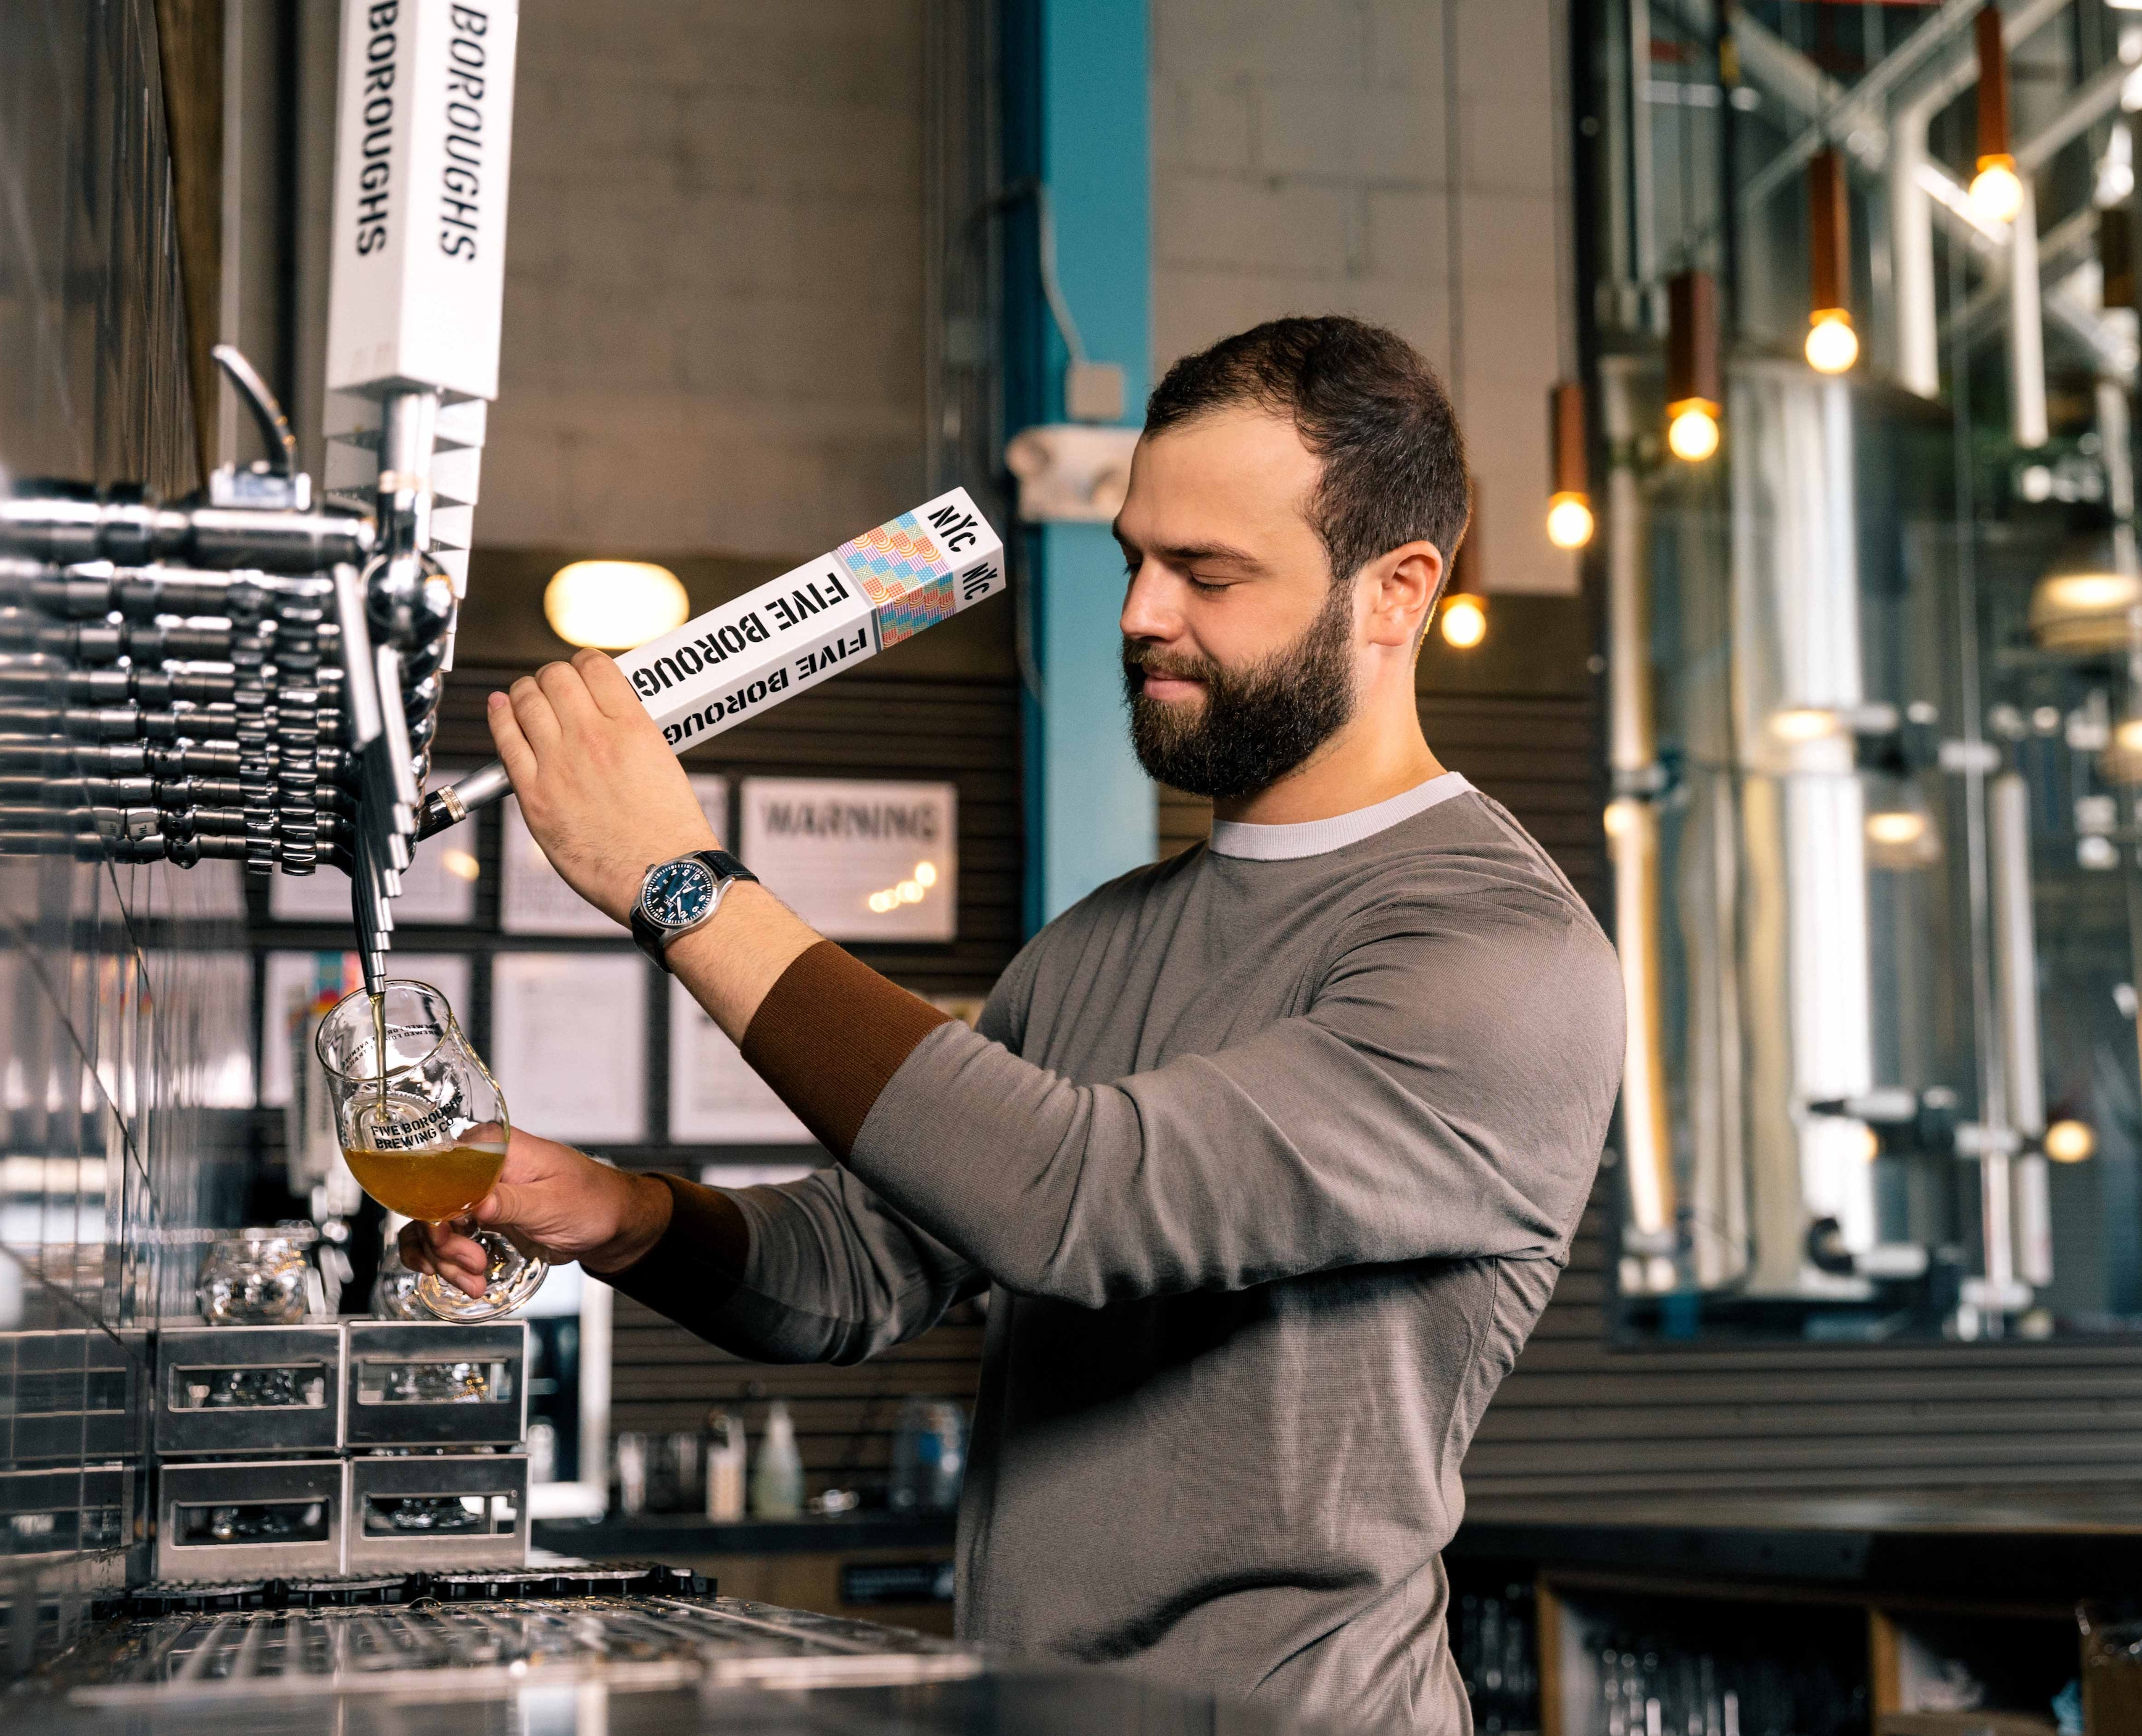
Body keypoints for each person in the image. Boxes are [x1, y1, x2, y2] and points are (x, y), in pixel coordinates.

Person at [407, 316, 1622, 1732]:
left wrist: (681, 885)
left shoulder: (1496, 951)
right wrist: (617, 1216)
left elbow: (1085, 1199)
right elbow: (858, 1270)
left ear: (1396, 593)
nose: (1138, 615)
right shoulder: (1101, 940)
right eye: (1135, 561)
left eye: (1208, 574)